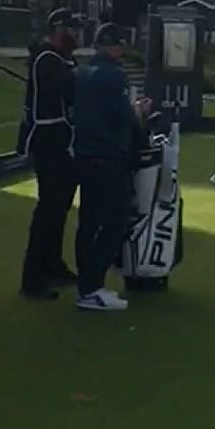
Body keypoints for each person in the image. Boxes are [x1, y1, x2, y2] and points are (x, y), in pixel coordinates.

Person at [73, 23, 151, 312]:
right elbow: (124, 118)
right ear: (114, 46)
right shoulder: (114, 76)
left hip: (85, 154)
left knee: (89, 223)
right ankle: (92, 287)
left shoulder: (81, 72)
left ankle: (86, 285)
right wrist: (140, 113)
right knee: (116, 221)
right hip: (109, 156)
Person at [19, 8, 81, 301]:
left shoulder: (63, 59)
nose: (77, 34)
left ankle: (53, 265)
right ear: (58, 29)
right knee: (49, 210)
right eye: (71, 28)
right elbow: (66, 89)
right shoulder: (47, 59)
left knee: (59, 208)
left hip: (63, 140)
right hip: (49, 140)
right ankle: (33, 279)